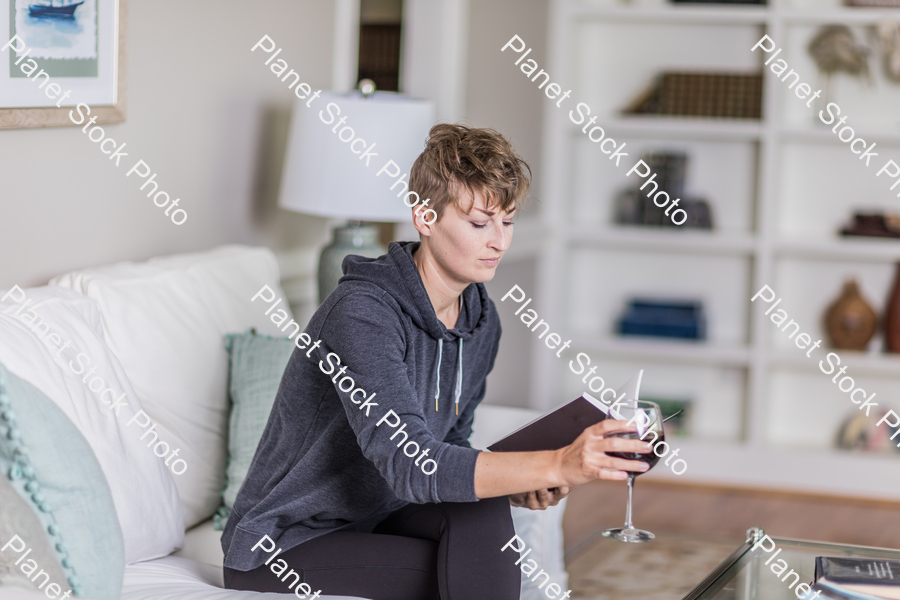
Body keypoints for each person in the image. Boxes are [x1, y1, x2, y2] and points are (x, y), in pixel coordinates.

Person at [221, 124, 651, 600]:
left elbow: (450, 441)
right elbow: (414, 464)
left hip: (382, 514)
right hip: (284, 544)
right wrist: (556, 464)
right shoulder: (362, 314)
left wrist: (524, 478)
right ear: (424, 217)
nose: (499, 242)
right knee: (462, 571)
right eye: (479, 222)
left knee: (483, 512)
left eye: (506, 222)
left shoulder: (481, 320)